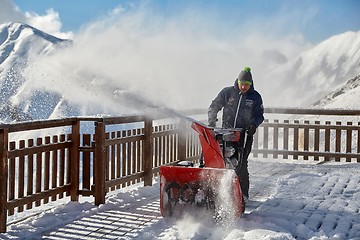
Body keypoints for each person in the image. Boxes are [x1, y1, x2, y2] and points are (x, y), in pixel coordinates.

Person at [208, 67, 264, 202]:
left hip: (244, 136)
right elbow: (214, 106)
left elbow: (259, 115)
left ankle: (243, 195)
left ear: (251, 84)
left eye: (246, 84)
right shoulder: (227, 93)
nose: (243, 86)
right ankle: (218, 192)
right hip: (226, 134)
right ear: (237, 81)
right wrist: (212, 120)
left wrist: (253, 125)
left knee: (241, 165)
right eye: (241, 83)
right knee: (221, 163)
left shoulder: (255, 97)